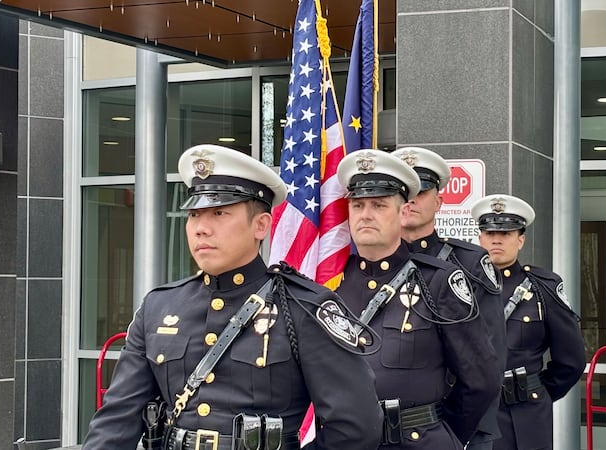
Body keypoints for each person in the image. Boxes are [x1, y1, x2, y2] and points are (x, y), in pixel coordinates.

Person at [83, 144, 383, 450]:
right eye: (195, 214)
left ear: (261, 225)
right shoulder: (159, 307)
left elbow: (356, 428)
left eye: (219, 213)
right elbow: (117, 421)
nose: (201, 228)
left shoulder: (305, 307)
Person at [335, 149, 498, 449]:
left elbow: (480, 378)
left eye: (379, 205)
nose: (366, 215)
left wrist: (440, 433)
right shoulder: (333, 280)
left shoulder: (439, 280)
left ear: (402, 211)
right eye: (357, 205)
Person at [391, 146, 506, 449]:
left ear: (439, 201)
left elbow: (490, 353)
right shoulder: (369, 267)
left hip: (461, 425)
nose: (411, 200)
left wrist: (455, 430)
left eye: (421, 191)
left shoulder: (469, 263)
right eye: (404, 192)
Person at [470, 193, 586, 450]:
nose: (496, 239)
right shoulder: (461, 288)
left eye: (506, 233)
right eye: (489, 233)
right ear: (480, 238)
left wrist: (535, 391)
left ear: (520, 239)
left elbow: (571, 360)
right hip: (474, 414)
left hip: (524, 416)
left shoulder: (543, 288)